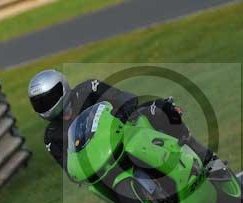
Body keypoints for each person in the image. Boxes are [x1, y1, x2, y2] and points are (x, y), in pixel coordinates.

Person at [27, 69, 214, 171]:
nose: (45, 105)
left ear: (63, 89)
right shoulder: (51, 136)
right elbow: (68, 167)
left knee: (161, 107)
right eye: (39, 103)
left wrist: (123, 112)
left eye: (49, 99)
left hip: (125, 128)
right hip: (103, 159)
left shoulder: (88, 89)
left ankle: (204, 156)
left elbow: (123, 97)